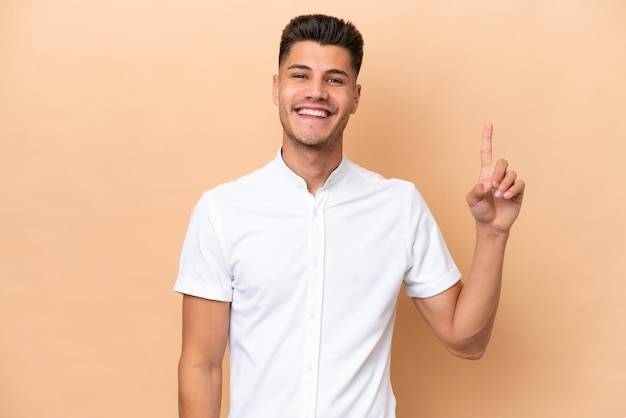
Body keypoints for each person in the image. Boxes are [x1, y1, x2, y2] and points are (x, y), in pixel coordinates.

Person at [174, 14, 525, 418]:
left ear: (355, 97)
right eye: (300, 75)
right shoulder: (222, 212)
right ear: (277, 88)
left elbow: (467, 342)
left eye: (334, 79)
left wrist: (493, 232)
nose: (317, 92)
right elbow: (201, 366)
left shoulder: (399, 206)